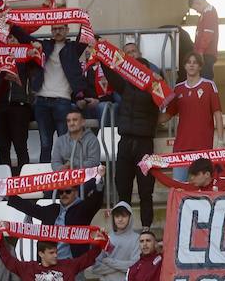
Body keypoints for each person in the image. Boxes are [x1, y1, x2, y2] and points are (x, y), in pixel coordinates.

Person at [101, 41, 161, 226]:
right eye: (136, 69)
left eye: (142, 69)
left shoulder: (155, 88)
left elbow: (168, 100)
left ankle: (145, 230)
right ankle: (121, 230)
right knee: (123, 190)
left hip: (144, 145)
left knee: (145, 191)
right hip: (125, 143)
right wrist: (101, 54)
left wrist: (159, 81)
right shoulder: (125, 86)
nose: (139, 73)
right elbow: (111, 74)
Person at [27, 23, 91, 164]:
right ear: (51, 31)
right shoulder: (43, 46)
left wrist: (84, 20)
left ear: (67, 30)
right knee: (45, 145)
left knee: (64, 144)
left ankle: (64, 183)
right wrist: (9, 21)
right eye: (54, 29)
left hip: (62, 101)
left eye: (61, 28)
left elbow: (85, 37)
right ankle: (45, 183)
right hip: (42, 101)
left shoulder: (73, 49)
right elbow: (23, 37)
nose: (57, 32)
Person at [163, 53, 223, 159]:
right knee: (178, 176)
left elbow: (217, 113)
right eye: (188, 62)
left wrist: (221, 140)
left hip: (202, 146)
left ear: (200, 66)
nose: (191, 65)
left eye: (195, 63)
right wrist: (148, 118)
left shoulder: (209, 85)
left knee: (202, 176)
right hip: (180, 146)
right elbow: (168, 114)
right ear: (185, 66)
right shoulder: (178, 88)